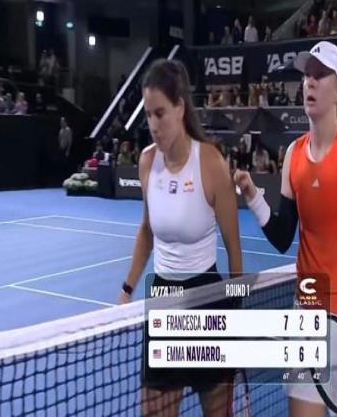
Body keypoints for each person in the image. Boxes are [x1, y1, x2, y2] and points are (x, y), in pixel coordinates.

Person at [234, 41, 337, 417]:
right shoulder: (292, 156)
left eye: (320, 75)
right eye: (307, 75)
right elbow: (282, 236)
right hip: (307, 308)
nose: (310, 82)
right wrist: (253, 196)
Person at [119, 59, 242, 417]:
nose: (153, 125)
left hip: (208, 299)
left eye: (160, 113)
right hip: (163, 300)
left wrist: (235, 305)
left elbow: (234, 247)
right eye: (148, 115)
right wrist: (127, 289)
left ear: (180, 108)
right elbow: (147, 231)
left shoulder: (211, 163)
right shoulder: (147, 162)